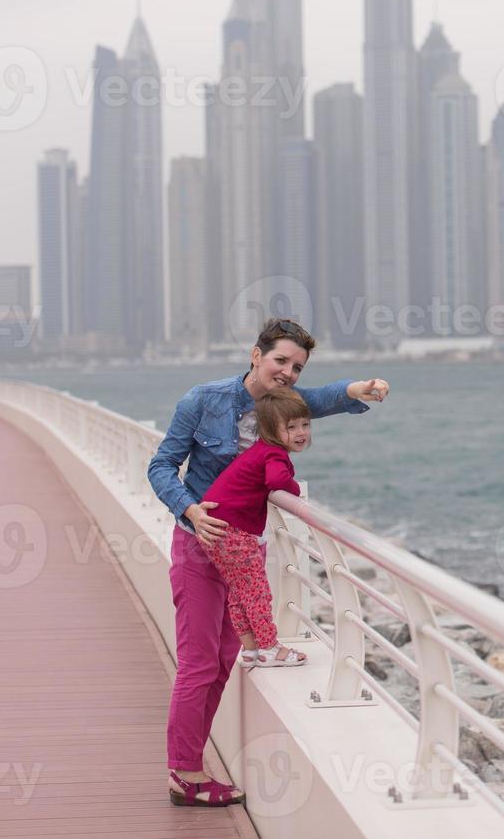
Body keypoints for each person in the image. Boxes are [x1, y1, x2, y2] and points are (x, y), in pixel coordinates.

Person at [148, 318, 389, 808]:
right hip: (199, 543)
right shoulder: (203, 400)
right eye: (280, 360)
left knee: (222, 660)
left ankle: (190, 766)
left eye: (297, 367)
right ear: (255, 355)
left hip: (244, 549)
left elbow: (321, 399)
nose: (288, 373)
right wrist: (189, 509)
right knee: (198, 663)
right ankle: (185, 774)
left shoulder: (284, 407)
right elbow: (160, 464)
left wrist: (358, 388)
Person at [203, 388, 311, 669]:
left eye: (305, 424)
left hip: (216, 528)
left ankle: (251, 649)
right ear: (270, 430)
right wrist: (295, 488)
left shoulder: (260, 450)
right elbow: (277, 480)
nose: (301, 432)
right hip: (233, 531)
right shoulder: (273, 454)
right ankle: (269, 647)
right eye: (290, 427)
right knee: (256, 591)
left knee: (239, 591)